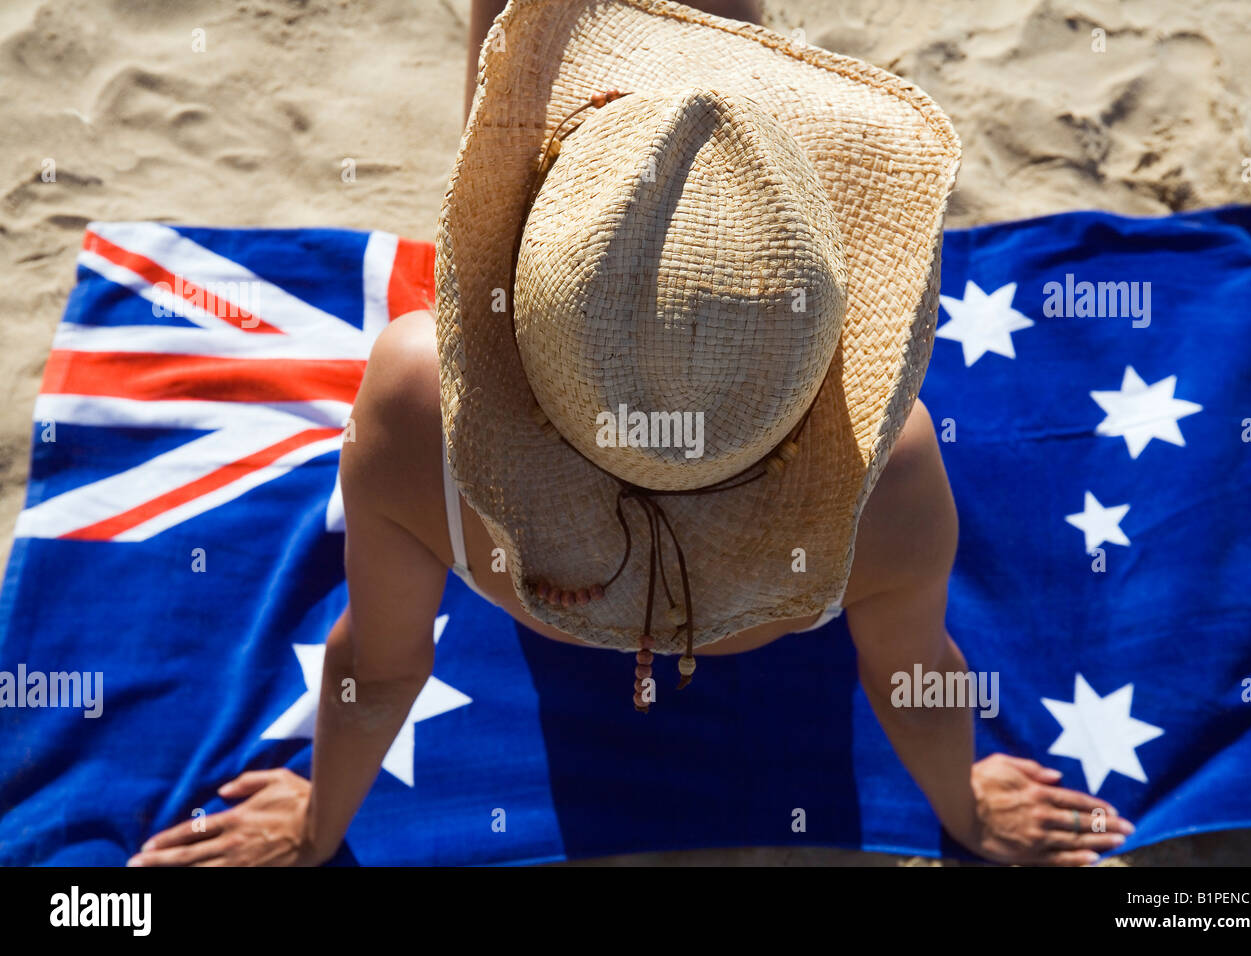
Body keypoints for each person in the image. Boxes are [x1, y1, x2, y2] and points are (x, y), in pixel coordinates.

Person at [131, 0, 1134, 867]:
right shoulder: (895, 468)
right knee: (729, 147)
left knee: (534, 59)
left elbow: (379, 664)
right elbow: (911, 667)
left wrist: (314, 825)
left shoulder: (413, 399)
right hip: (754, 604)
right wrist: (966, 806)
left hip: (522, 566)